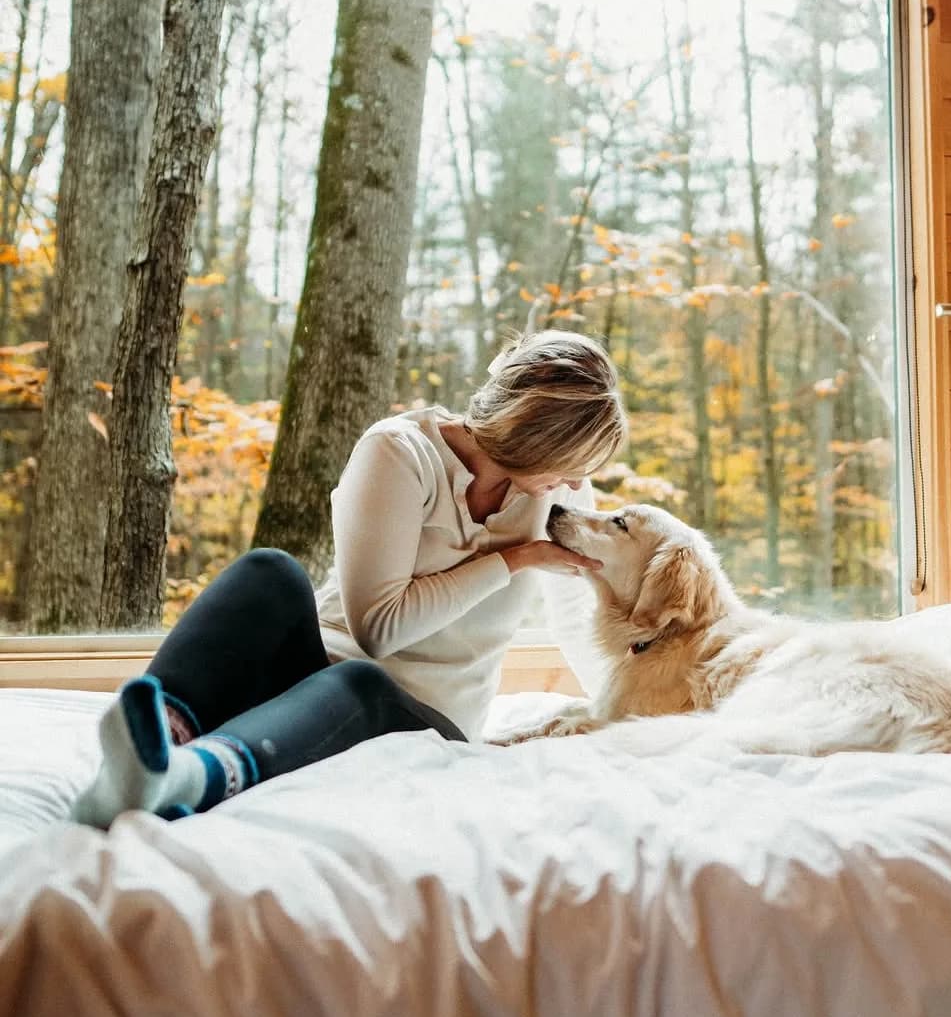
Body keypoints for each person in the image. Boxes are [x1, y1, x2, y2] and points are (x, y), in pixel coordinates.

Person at [71, 330, 628, 828]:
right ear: (536, 440)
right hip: (325, 667)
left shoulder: (559, 493)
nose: (579, 479)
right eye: (572, 460)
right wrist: (512, 561)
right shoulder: (401, 451)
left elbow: (580, 616)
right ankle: (149, 751)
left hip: (424, 717)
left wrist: (623, 714)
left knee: (357, 685)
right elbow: (378, 630)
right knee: (270, 571)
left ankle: (185, 780)